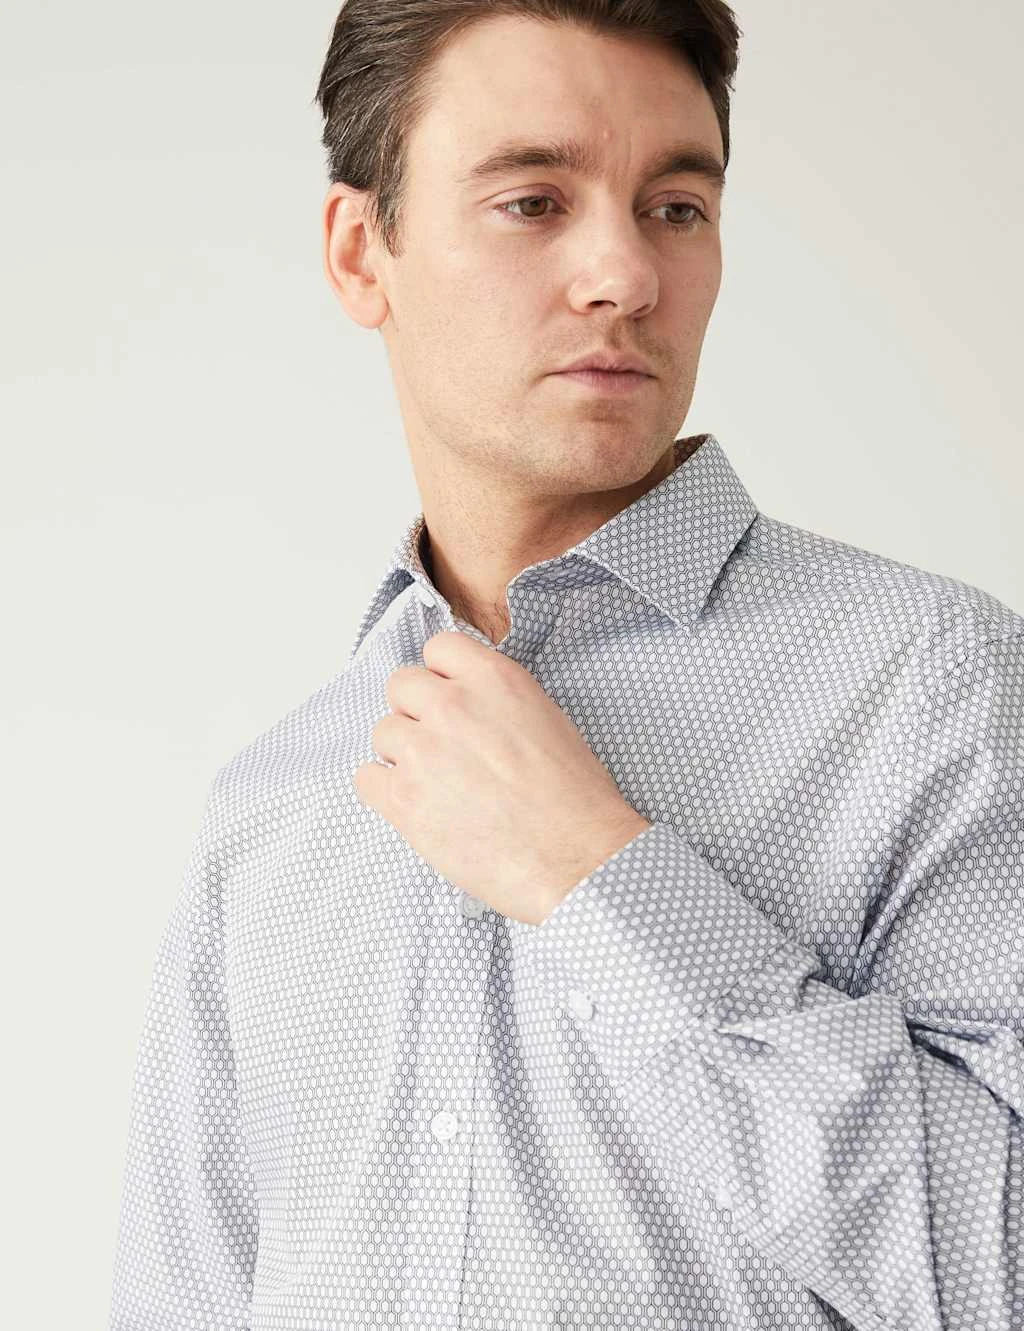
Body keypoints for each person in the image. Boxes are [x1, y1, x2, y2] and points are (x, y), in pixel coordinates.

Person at [108, 3, 1023, 1328]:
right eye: (534, 202)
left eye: (675, 209)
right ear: (362, 253)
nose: (626, 275)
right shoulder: (275, 801)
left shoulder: (935, 687)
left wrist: (600, 881)